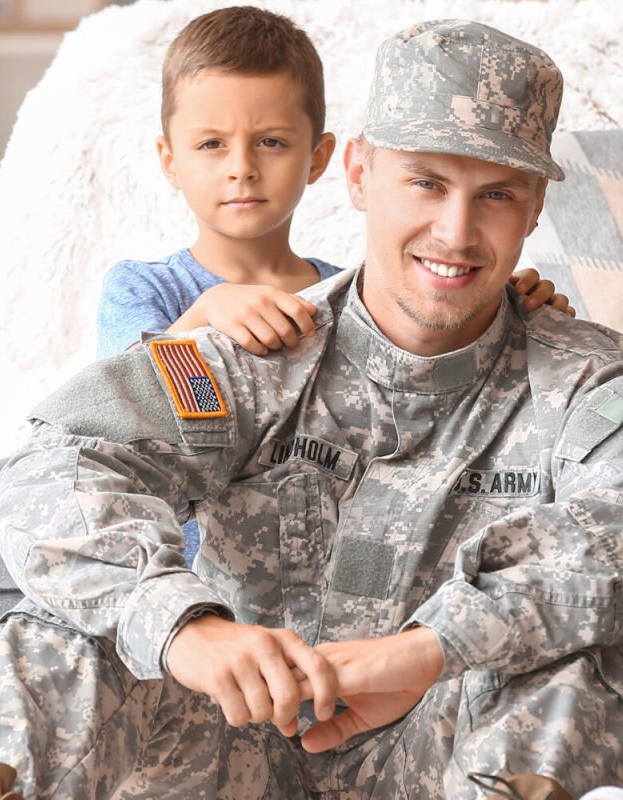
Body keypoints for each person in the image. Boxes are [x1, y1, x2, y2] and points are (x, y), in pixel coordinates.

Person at [0, 19, 623, 800]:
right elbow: (58, 468)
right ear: (361, 174)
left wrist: (433, 648)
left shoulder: (597, 383)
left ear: (535, 210)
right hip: (233, 747)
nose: (456, 231)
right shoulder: (258, 349)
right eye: (426, 183)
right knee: (67, 630)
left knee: (574, 655)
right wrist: (183, 627)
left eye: (497, 196)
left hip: (450, 756)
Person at [97, 5, 574, 558]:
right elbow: (123, 419)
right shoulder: (145, 290)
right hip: (192, 579)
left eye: (271, 142)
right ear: (169, 159)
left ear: (319, 158)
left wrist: (498, 300)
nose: (241, 168)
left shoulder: (348, 295)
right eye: (211, 145)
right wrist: (204, 318)